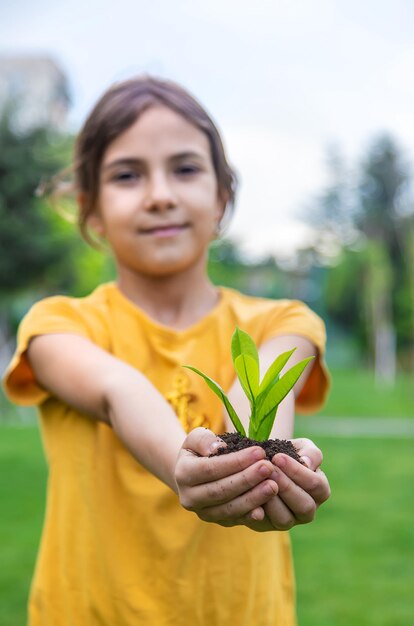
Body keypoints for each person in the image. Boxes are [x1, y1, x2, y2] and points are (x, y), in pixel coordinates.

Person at [3, 76, 331, 626]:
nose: (160, 194)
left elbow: (261, 395)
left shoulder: (284, 321)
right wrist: (184, 462)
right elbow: (116, 390)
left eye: (184, 168)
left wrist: (258, 465)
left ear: (222, 196)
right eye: (127, 175)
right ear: (92, 209)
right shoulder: (57, 324)